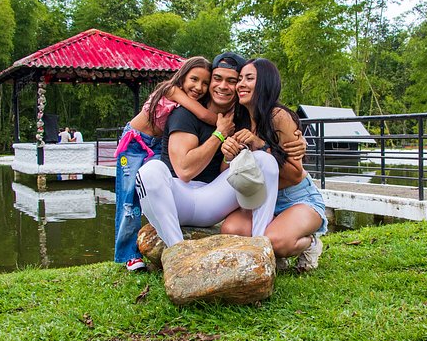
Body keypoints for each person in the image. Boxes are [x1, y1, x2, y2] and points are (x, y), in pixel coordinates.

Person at [135, 52, 306, 250]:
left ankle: (260, 247)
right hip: (178, 197)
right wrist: (219, 134)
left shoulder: (242, 119)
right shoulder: (185, 113)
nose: (223, 86)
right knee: (150, 170)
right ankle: (178, 251)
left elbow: (262, 143)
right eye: (217, 79)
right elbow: (184, 171)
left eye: (231, 80)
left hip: (214, 199)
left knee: (263, 160)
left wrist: (299, 139)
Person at [220, 58, 327, 272]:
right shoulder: (238, 120)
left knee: (275, 241)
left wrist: (260, 145)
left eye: (249, 78)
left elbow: (295, 174)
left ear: (265, 83)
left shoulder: (278, 117)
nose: (241, 84)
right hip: (261, 201)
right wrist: (227, 155)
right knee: (229, 229)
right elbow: (226, 174)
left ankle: (310, 244)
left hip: (296, 198)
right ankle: (277, 246)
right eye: (240, 79)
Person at [114, 56, 217, 271]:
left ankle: (153, 243)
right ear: (183, 76)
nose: (199, 87)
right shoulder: (171, 90)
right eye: (194, 79)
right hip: (135, 142)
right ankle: (127, 255)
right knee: (128, 200)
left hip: (157, 144)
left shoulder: (189, 100)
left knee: (151, 192)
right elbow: (205, 115)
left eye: (205, 83)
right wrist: (226, 123)